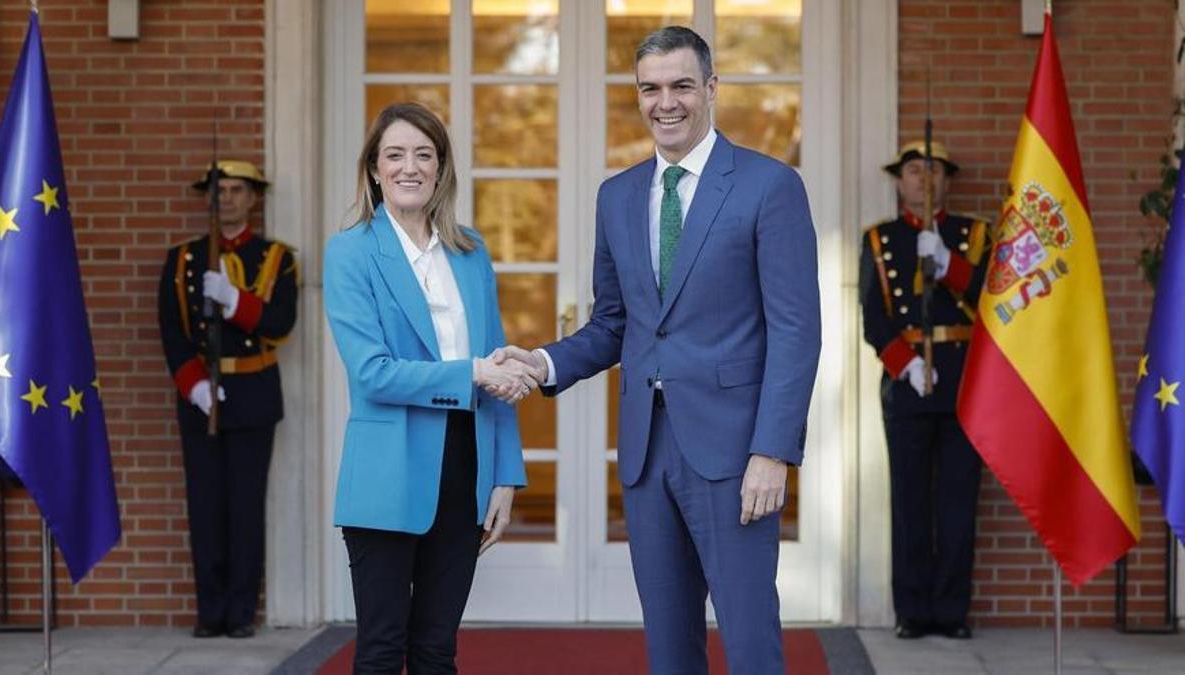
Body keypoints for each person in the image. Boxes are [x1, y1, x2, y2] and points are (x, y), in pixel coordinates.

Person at [495, 27, 821, 674]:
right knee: (669, 647)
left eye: (680, 86)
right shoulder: (617, 197)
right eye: (650, 88)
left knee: (751, 639)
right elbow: (616, 323)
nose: (664, 102)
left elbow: (796, 330)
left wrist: (773, 451)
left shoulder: (768, 186)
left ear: (710, 89)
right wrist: (543, 363)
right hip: (647, 451)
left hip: (734, 453)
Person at [323, 102, 534, 673]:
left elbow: (498, 368)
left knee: (438, 649)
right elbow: (373, 372)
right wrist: (471, 372)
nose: (409, 167)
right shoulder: (350, 252)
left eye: (424, 154)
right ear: (374, 169)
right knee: (383, 648)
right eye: (394, 155)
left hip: (465, 467)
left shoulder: (470, 250)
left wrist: (505, 477)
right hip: (385, 473)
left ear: (440, 169)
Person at [157, 160, 299, 639]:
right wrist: (195, 384)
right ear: (209, 199)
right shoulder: (182, 260)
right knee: (205, 506)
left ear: (254, 198)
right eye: (220, 191)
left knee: (245, 507)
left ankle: (240, 613)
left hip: (253, 394)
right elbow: (173, 332)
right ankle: (209, 611)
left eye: (238, 190)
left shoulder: (277, 258)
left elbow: (280, 323)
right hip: (201, 397)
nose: (228, 199)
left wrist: (235, 301)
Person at [859, 140, 990, 640]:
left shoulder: (973, 235)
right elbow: (873, 317)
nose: (923, 178)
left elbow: (994, 303)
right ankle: (912, 611)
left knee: (958, 502)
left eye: (933, 170)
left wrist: (951, 265)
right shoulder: (880, 239)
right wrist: (906, 363)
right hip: (908, 383)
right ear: (900, 182)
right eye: (914, 170)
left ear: (947, 181)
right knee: (910, 501)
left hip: (963, 383)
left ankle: (952, 612)